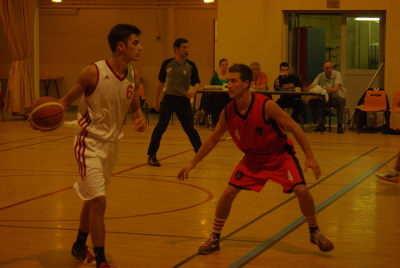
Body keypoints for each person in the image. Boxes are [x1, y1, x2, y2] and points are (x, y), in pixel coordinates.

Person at [177, 63, 334, 255]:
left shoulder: (266, 105)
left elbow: (295, 126)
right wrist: (192, 163)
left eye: (233, 81)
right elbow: (213, 139)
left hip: (279, 155)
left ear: (246, 84)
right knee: (227, 194)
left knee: (301, 190)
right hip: (253, 159)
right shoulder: (228, 111)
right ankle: (215, 237)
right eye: (228, 81)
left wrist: (309, 157)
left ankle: (314, 230)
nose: (229, 85)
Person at [56, 24, 146, 268]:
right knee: (99, 201)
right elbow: (64, 102)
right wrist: (38, 114)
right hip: (89, 143)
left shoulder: (132, 74)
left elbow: (135, 105)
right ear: (121, 46)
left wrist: (139, 116)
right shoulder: (92, 72)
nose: (140, 47)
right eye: (135, 42)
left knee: (91, 197)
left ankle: (78, 245)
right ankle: (102, 261)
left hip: (112, 147)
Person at [147, 38, 202, 166]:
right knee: (161, 127)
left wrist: (193, 91)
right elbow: (160, 83)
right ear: (176, 48)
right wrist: (155, 100)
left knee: (189, 128)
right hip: (169, 99)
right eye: (184, 47)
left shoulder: (191, 65)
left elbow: (197, 83)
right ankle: (152, 155)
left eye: (187, 47)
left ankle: (200, 151)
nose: (186, 50)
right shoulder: (167, 64)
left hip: (183, 100)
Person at [306, 60, 346, 134]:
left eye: (331, 68)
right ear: (323, 69)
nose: (329, 70)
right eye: (327, 68)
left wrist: (323, 89)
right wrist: (316, 88)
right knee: (312, 102)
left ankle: (340, 126)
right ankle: (320, 124)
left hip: (336, 98)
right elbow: (310, 87)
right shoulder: (320, 75)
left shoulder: (337, 74)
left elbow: (335, 89)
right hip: (325, 99)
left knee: (340, 102)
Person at [207, 58, 231, 130]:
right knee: (215, 101)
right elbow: (211, 86)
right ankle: (215, 123)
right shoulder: (215, 76)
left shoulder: (230, 76)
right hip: (217, 97)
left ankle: (204, 110)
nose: (224, 66)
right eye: (223, 65)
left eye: (226, 65)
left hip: (227, 96)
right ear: (219, 66)